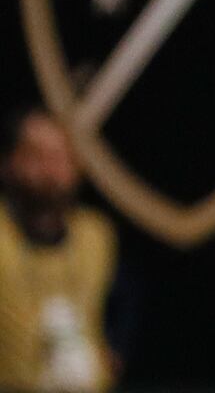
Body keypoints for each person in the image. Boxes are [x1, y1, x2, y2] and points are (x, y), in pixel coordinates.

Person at [0, 106, 119, 392]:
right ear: (9, 162)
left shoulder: (95, 236)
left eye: (61, 157)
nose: (50, 170)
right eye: (36, 156)